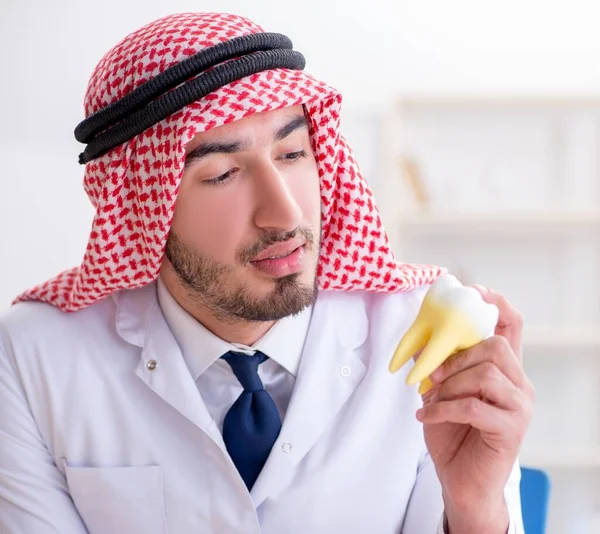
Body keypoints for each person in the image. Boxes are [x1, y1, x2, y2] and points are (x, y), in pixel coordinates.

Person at [0, 12, 534, 534]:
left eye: (293, 153)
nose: (285, 214)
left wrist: (474, 510)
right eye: (223, 173)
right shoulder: (31, 358)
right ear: (143, 205)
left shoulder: (429, 338)